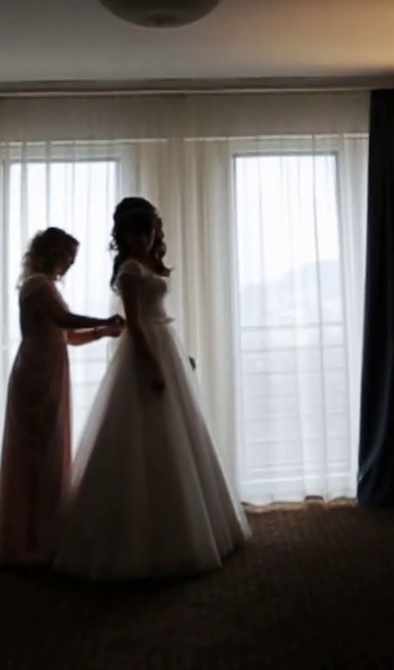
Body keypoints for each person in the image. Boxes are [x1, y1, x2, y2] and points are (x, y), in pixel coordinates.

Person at [52, 197, 250, 580]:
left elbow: (157, 317)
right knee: (140, 438)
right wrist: (153, 363)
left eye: (147, 231)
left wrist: (175, 357)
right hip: (145, 349)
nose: (142, 238)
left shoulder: (149, 264)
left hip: (165, 341)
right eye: (134, 233)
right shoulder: (129, 269)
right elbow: (136, 323)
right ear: (124, 235)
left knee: (177, 436)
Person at [0, 227, 124, 566]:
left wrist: (102, 332)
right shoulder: (38, 285)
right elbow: (63, 320)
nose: (71, 263)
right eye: (68, 256)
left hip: (47, 371)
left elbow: (67, 336)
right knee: (39, 453)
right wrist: (105, 319)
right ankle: (32, 542)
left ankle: (39, 537)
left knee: (47, 449)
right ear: (53, 252)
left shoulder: (42, 286)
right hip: (37, 374)